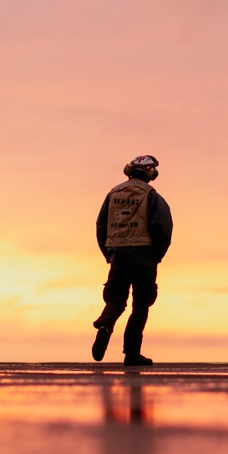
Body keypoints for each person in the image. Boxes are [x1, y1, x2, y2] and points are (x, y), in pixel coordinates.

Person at [92, 155, 172, 366]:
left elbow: (101, 225)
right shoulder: (152, 195)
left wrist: (109, 253)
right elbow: (162, 228)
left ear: (129, 170)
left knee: (116, 300)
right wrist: (157, 255)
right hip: (144, 257)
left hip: (118, 256)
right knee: (141, 306)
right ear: (151, 174)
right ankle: (132, 354)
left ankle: (105, 324)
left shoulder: (113, 194)